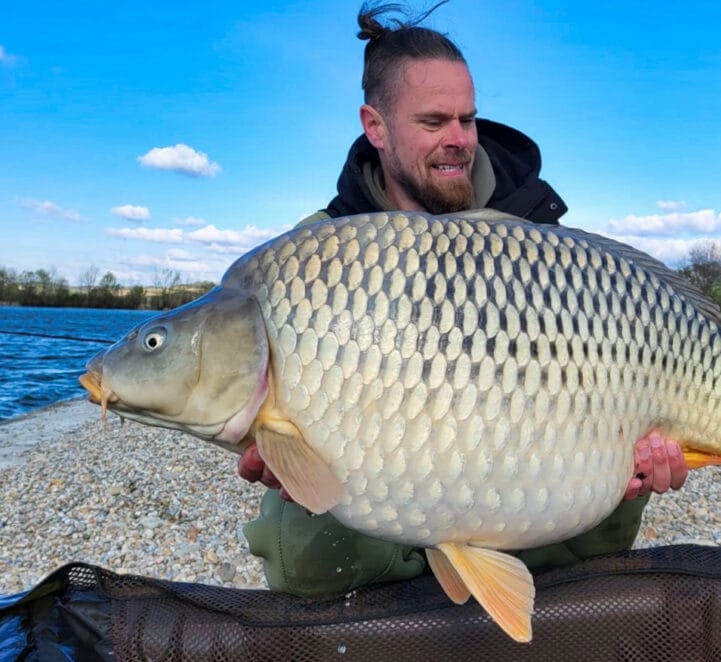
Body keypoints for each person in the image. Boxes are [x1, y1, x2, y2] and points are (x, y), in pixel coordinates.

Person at [238, 0, 688, 597]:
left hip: (531, 482)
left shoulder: (538, 242)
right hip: (385, 496)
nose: (459, 141)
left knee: (614, 475)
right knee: (301, 545)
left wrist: (631, 459)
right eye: (433, 122)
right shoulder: (318, 250)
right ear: (375, 126)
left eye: (467, 120)